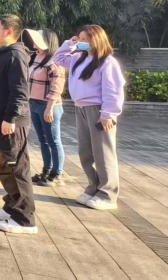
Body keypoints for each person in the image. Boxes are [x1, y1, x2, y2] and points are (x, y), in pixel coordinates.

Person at [55, 24, 125, 210]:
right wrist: (70, 43)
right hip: (81, 108)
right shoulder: (78, 58)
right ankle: (93, 186)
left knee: (103, 152)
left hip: (98, 111)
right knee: (85, 152)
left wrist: (108, 114)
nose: (82, 42)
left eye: (85, 39)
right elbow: (59, 58)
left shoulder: (107, 62)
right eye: (80, 39)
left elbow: (113, 90)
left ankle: (108, 193)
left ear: (97, 40)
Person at [0, 14, 37, 234]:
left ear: (9, 31)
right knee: (3, 165)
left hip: (10, 121)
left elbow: (20, 91)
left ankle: (24, 219)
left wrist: (10, 118)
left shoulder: (16, 55)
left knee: (16, 168)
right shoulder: (3, 52)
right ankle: (12, 206)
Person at [23, 29, 68, 186]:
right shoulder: (36, 57)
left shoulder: (55, 61)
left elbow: (56, 87)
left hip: (48, 105)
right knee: (43, 140)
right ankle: (46, 170)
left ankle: (57, 173)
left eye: (38, 39)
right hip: (34, 103)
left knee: (53, 140)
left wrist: (49, 108)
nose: (34, 42)